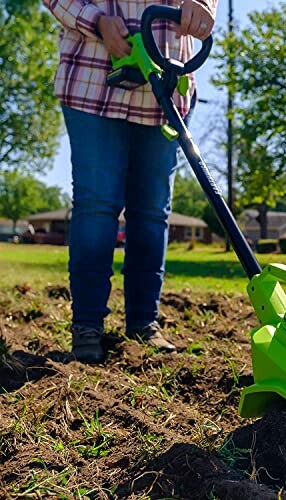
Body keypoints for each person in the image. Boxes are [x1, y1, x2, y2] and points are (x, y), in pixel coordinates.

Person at [43, 0, 218, 363]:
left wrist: (203, 5)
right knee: (96, 205)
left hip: (166, 77)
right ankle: (87, 325)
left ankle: (144, 323)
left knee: (152, 213)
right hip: (94, 75)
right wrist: (95, 22)